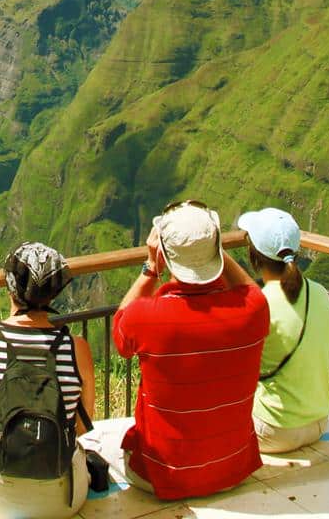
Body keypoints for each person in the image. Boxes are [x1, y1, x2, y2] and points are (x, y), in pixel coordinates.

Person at [111, 200, 267, 500]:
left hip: (162, 475)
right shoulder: (253, 309)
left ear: (165, 255)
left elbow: (120, 332)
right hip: (232, 470)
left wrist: (150, 267)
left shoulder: (146, 317)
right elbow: (250, 290)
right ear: (217, 249)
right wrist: (210, 248)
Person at [0, 242, 96, 519]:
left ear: (9, 285)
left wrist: (4, 446)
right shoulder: (76, 348)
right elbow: (82, 423)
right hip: (60, 496)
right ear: (54, 292)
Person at [237, 207, 329, 453]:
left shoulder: (260, 306)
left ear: (254, 255)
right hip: (319, 423)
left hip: (272, 431)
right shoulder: (320, 293)